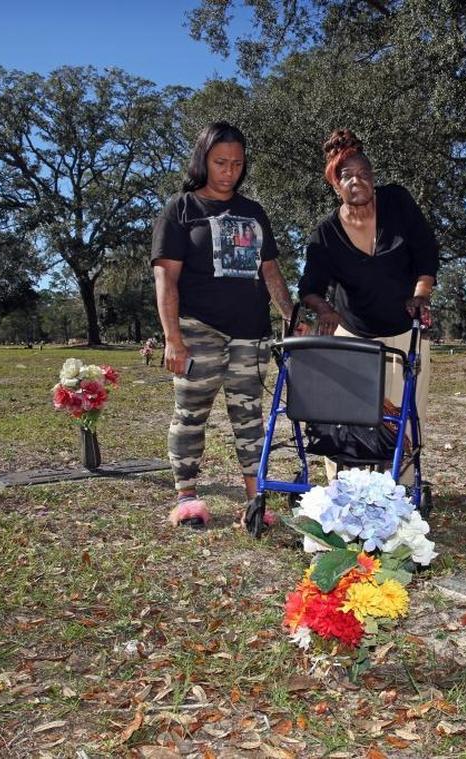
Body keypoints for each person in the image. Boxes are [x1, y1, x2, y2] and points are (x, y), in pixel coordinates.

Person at [152, 121, 305, 528]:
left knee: (249, 418)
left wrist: (290, 314)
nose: (229, 171)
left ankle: (256, 502)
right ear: (203, 159)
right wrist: (173, 339)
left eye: (237, 164)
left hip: (250, 334)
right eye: (220, 162)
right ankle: (187, 499)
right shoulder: (180, 210)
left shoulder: (253, 212)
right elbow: (165, 279)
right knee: (190, 415)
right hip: (197, 330)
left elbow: (270, 270)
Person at [298, 129, 439, 484]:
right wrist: (326, 310)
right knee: (347, 415)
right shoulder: (325, 234)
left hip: (405, 331)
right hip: (355, 335)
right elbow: (309, 289)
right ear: (335, 185)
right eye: (347, 176)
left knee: (404, 416)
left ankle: (403, 489)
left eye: (364, 174)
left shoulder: (398, 202)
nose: (357, 181)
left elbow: (426, 254)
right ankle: (343, 488)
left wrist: (421, 294)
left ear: (374, 178)